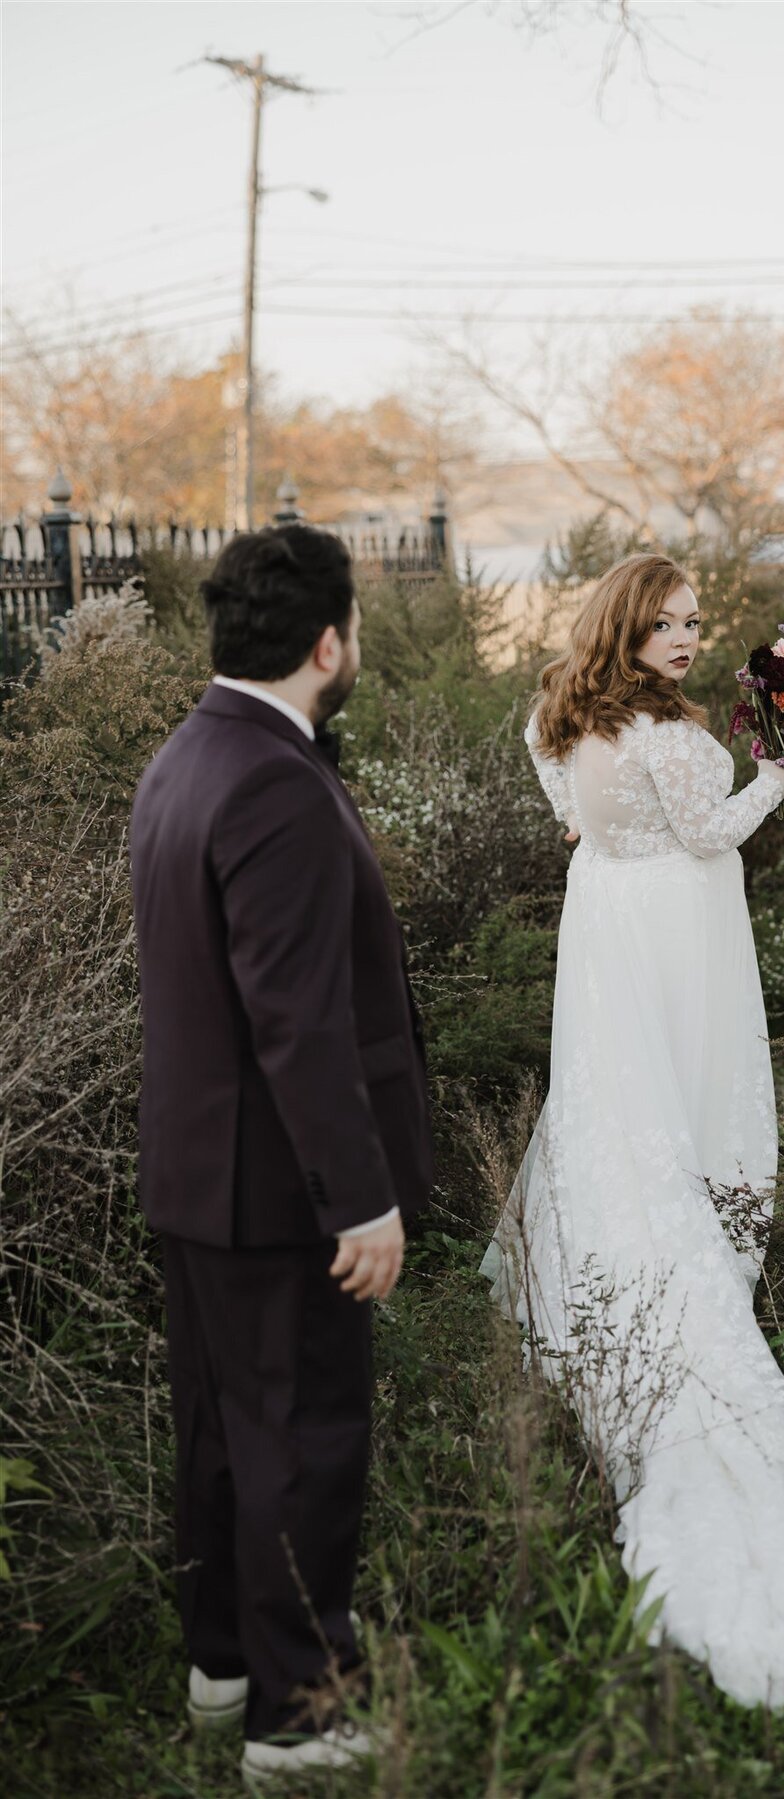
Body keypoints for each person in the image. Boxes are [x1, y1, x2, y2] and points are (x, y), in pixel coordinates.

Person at [481, 552, 784, 1709]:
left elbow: (562, 805)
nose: (688, 637)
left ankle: (599, 1268)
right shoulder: (676, 740)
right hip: (678, 930)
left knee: (618, 1104)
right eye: (668, 623)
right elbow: (716, 830)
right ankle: (700, 1268)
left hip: (608, 927)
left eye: (694, 621)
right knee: (687, 1101)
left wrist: (602, 834)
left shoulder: (551, 713)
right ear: (626, 625)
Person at [130, 525, 433, 1786]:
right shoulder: (273, 783)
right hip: (279, 1194)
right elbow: (297, 1020)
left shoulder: (187, 754)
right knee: (301, 1440)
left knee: (217, 1434)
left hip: (200, 1175)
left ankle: (223, 1667)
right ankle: (300, 1715)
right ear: (330, 642)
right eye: (353, 630)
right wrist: (359, 1200)